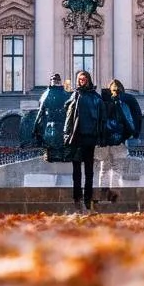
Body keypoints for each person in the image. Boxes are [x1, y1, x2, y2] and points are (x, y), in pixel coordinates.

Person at [63, 70, 105, 211]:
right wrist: (66, 134)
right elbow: (67, 114)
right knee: (76, 171)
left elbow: (102, 118)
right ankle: (77, 197)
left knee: (89, 171)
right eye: (80, 79)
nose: (82, 81)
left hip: (90, 138)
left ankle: (87, 198)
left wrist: (101, 136)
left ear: (88, 80)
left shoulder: (96, 97)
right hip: (76, 138)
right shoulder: (75, 95)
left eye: (84, 79)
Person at [32, 73, 71, 162]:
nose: (55, 81)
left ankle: (54, 156)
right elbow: (41, 111)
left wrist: (35, 127)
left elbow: (40, 112)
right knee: (54, 146)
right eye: (54, 80)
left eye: (56, 80)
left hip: (56, 125)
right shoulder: (63, 94)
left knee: (53, 146)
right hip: (56, 125)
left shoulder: (47, 94)